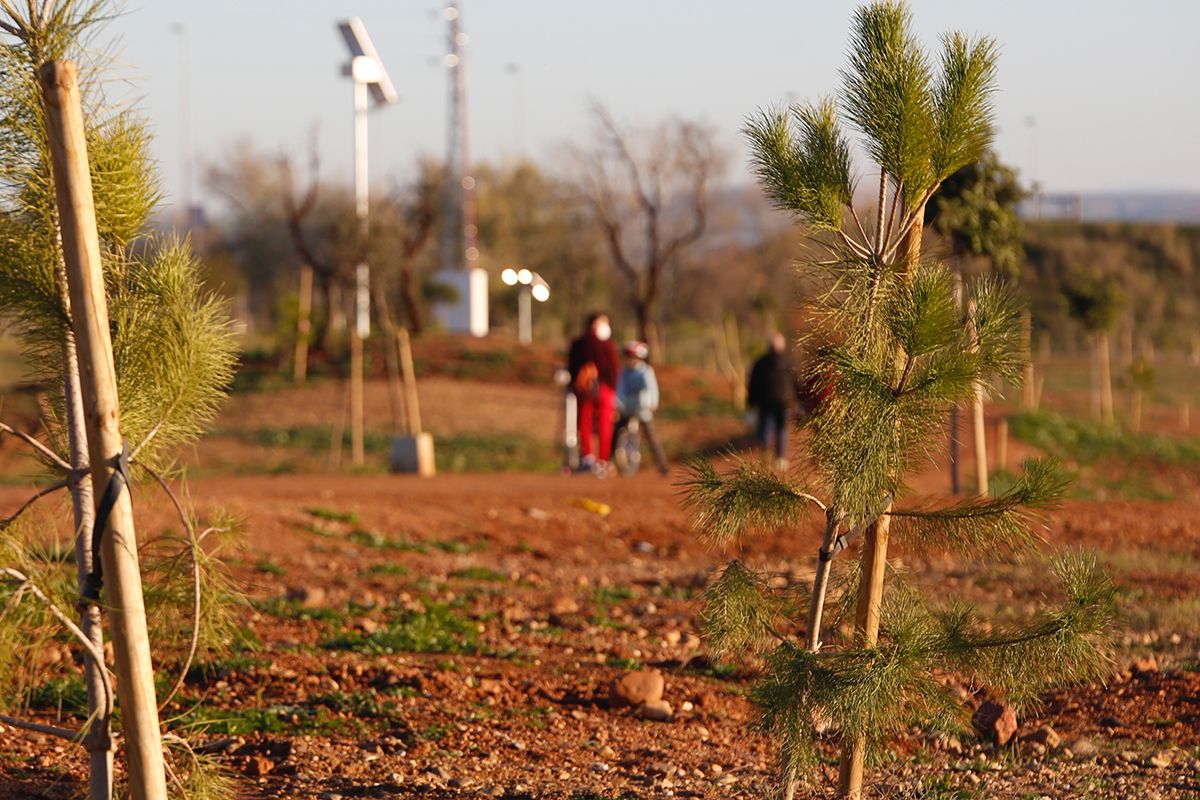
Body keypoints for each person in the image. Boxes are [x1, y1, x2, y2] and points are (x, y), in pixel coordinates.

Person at [567, 312, 619, 475]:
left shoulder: (578, 343)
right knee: (604, 424)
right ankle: (602, 460)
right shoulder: (606, 345)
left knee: (585, 423)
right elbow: (614, 369)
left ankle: (588, 457)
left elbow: (572, 367)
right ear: (595, 324)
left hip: (584, 390)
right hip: (603, 390)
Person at [613, 341, 670, 475]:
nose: (630, 361)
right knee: (616, 433)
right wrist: (618, 405)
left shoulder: (646, 371)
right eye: (628, 358)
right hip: (627, 408)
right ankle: (610, 462)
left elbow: (651, 389)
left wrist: (651, 403)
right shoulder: (624, 372)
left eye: (633, 358)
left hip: (642, 409)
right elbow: (620, 390)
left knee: (651, 437)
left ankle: (662, 466)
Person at [747, 332, 795, 470]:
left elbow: (752, 384)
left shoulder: (760, 363)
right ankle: (777, 458)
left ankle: (769, 457)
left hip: (770, 403)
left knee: (770, 430)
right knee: (779, 431)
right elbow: (796, 382)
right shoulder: (787, 362)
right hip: (778, 403)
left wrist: (751, 403)